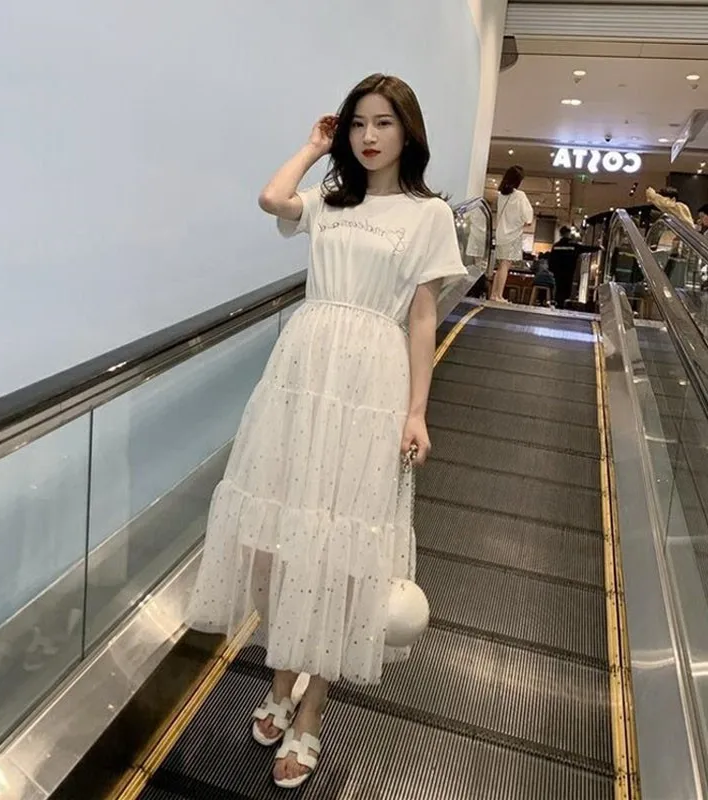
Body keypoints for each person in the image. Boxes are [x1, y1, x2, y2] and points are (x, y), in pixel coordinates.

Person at [185, 73, 467, 789]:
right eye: (358, 124)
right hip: (303, 376)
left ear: (408, 132)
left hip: (372, 384)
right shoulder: (331, 198)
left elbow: (423, 316)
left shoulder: (428, 214)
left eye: (384, 123)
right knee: (285, 541)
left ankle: (312, 711)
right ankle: (281, 686)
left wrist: (416, 410)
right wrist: (313, 148)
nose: (369, 136)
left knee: (346, 550)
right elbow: (271, 198)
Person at [489, 165, 533, 302]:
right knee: (505, 265)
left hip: (501, 234)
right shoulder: (520, 195)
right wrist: (526, 221)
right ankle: (499, 295)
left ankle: (494, 294)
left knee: (500, 265)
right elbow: (527, 216)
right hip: (512, 234)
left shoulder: (501, 195)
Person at [547, 226, 601, 309]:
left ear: (561, 234)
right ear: (568, 234)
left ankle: (558, 302)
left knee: (559, 287)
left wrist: (552, 270)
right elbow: (585, 248)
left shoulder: (556, 246)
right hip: (569, 271)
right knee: (567, 287)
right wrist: (598, 248)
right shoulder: (573, 246)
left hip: (558, 272)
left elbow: (551, 260)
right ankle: (564, 302)